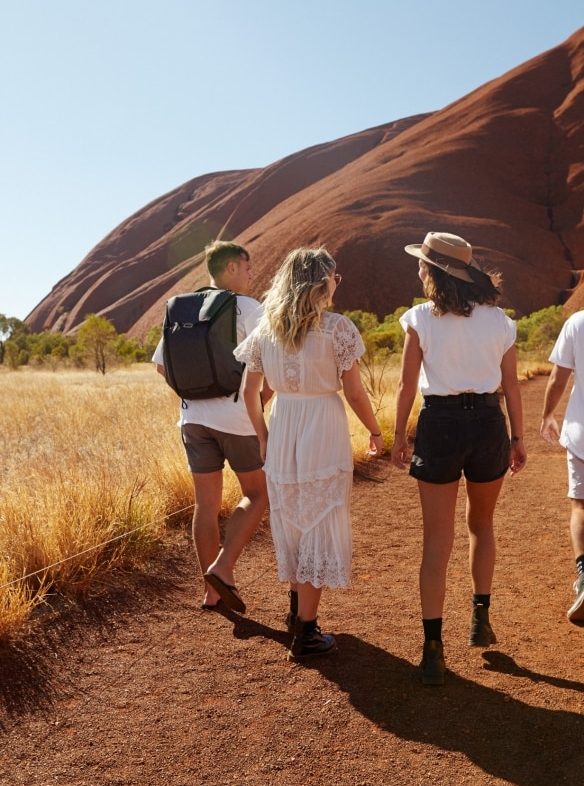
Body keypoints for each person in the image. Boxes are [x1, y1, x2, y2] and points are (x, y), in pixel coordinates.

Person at [234, 246, 384, 662]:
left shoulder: (267, 329)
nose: (337, 284)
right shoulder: (337, 329)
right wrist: (374, 430)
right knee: (319, 517)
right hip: (323, 426)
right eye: (334, 277)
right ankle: (307, 632)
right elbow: (354, 392)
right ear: (321, 282)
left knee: (294, 516)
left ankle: (297, 609)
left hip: (283, 425)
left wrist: (263, 438)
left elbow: (250, 394)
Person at [390, 232, 527, 686]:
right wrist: (518, 438)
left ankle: (433, 650)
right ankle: (480, 618)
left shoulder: (421, 320)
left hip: (440, 425)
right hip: (489, 423)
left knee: (436, 541)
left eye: (422, 263)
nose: (418, 268)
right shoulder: (500, 322)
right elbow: (511, 386)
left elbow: (407, 387)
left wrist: (397, 437)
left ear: (434, 271)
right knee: (482, 524)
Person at [153, 240, 270, 614]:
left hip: (192, 419)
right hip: (237, 418)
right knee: (257, 493)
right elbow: (269, 361)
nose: (251, 276)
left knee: (205, 505)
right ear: (232, 268)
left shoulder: (182, 308)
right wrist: (258, 404)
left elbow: (160, 365)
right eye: (248, 269)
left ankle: (211, 591)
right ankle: (224, 567)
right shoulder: (248, 308)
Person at [540, 309, 584, 625]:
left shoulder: (577, 322)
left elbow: (558, 377)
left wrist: (547, 415)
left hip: (582, 435)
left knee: (580, 508)